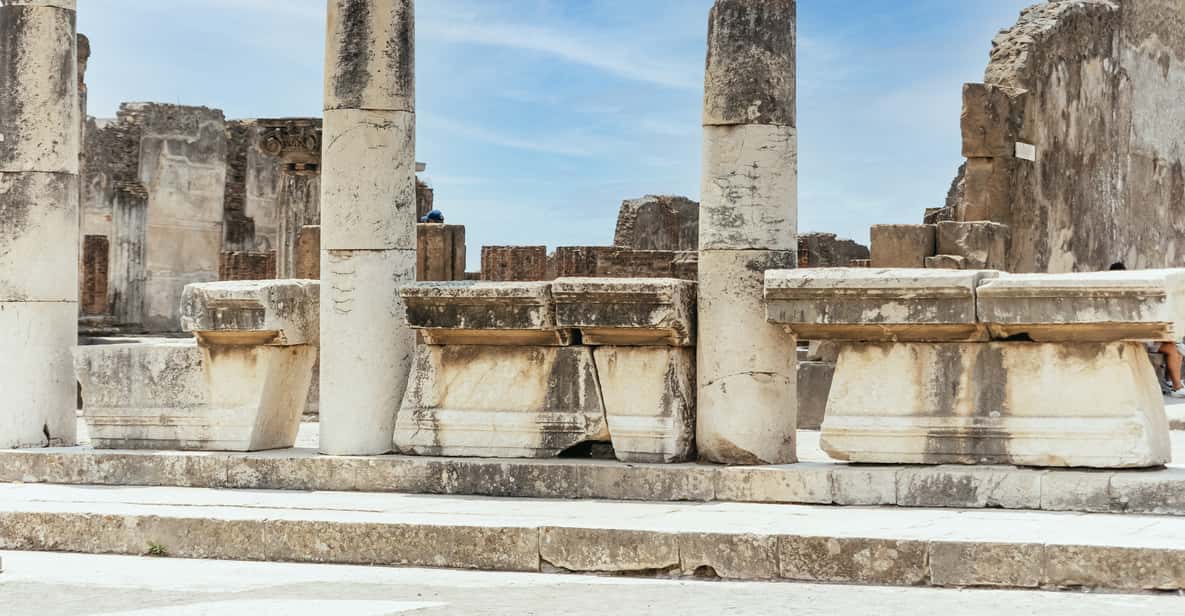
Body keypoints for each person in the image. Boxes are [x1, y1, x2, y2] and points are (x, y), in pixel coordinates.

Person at [1115, 262, 1185, 396]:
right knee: (1172, 348)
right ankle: (1176, 386)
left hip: (1145, 334)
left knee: (1176, 347)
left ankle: (1175, 383)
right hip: (1138, 337)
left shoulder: (1129, 291)